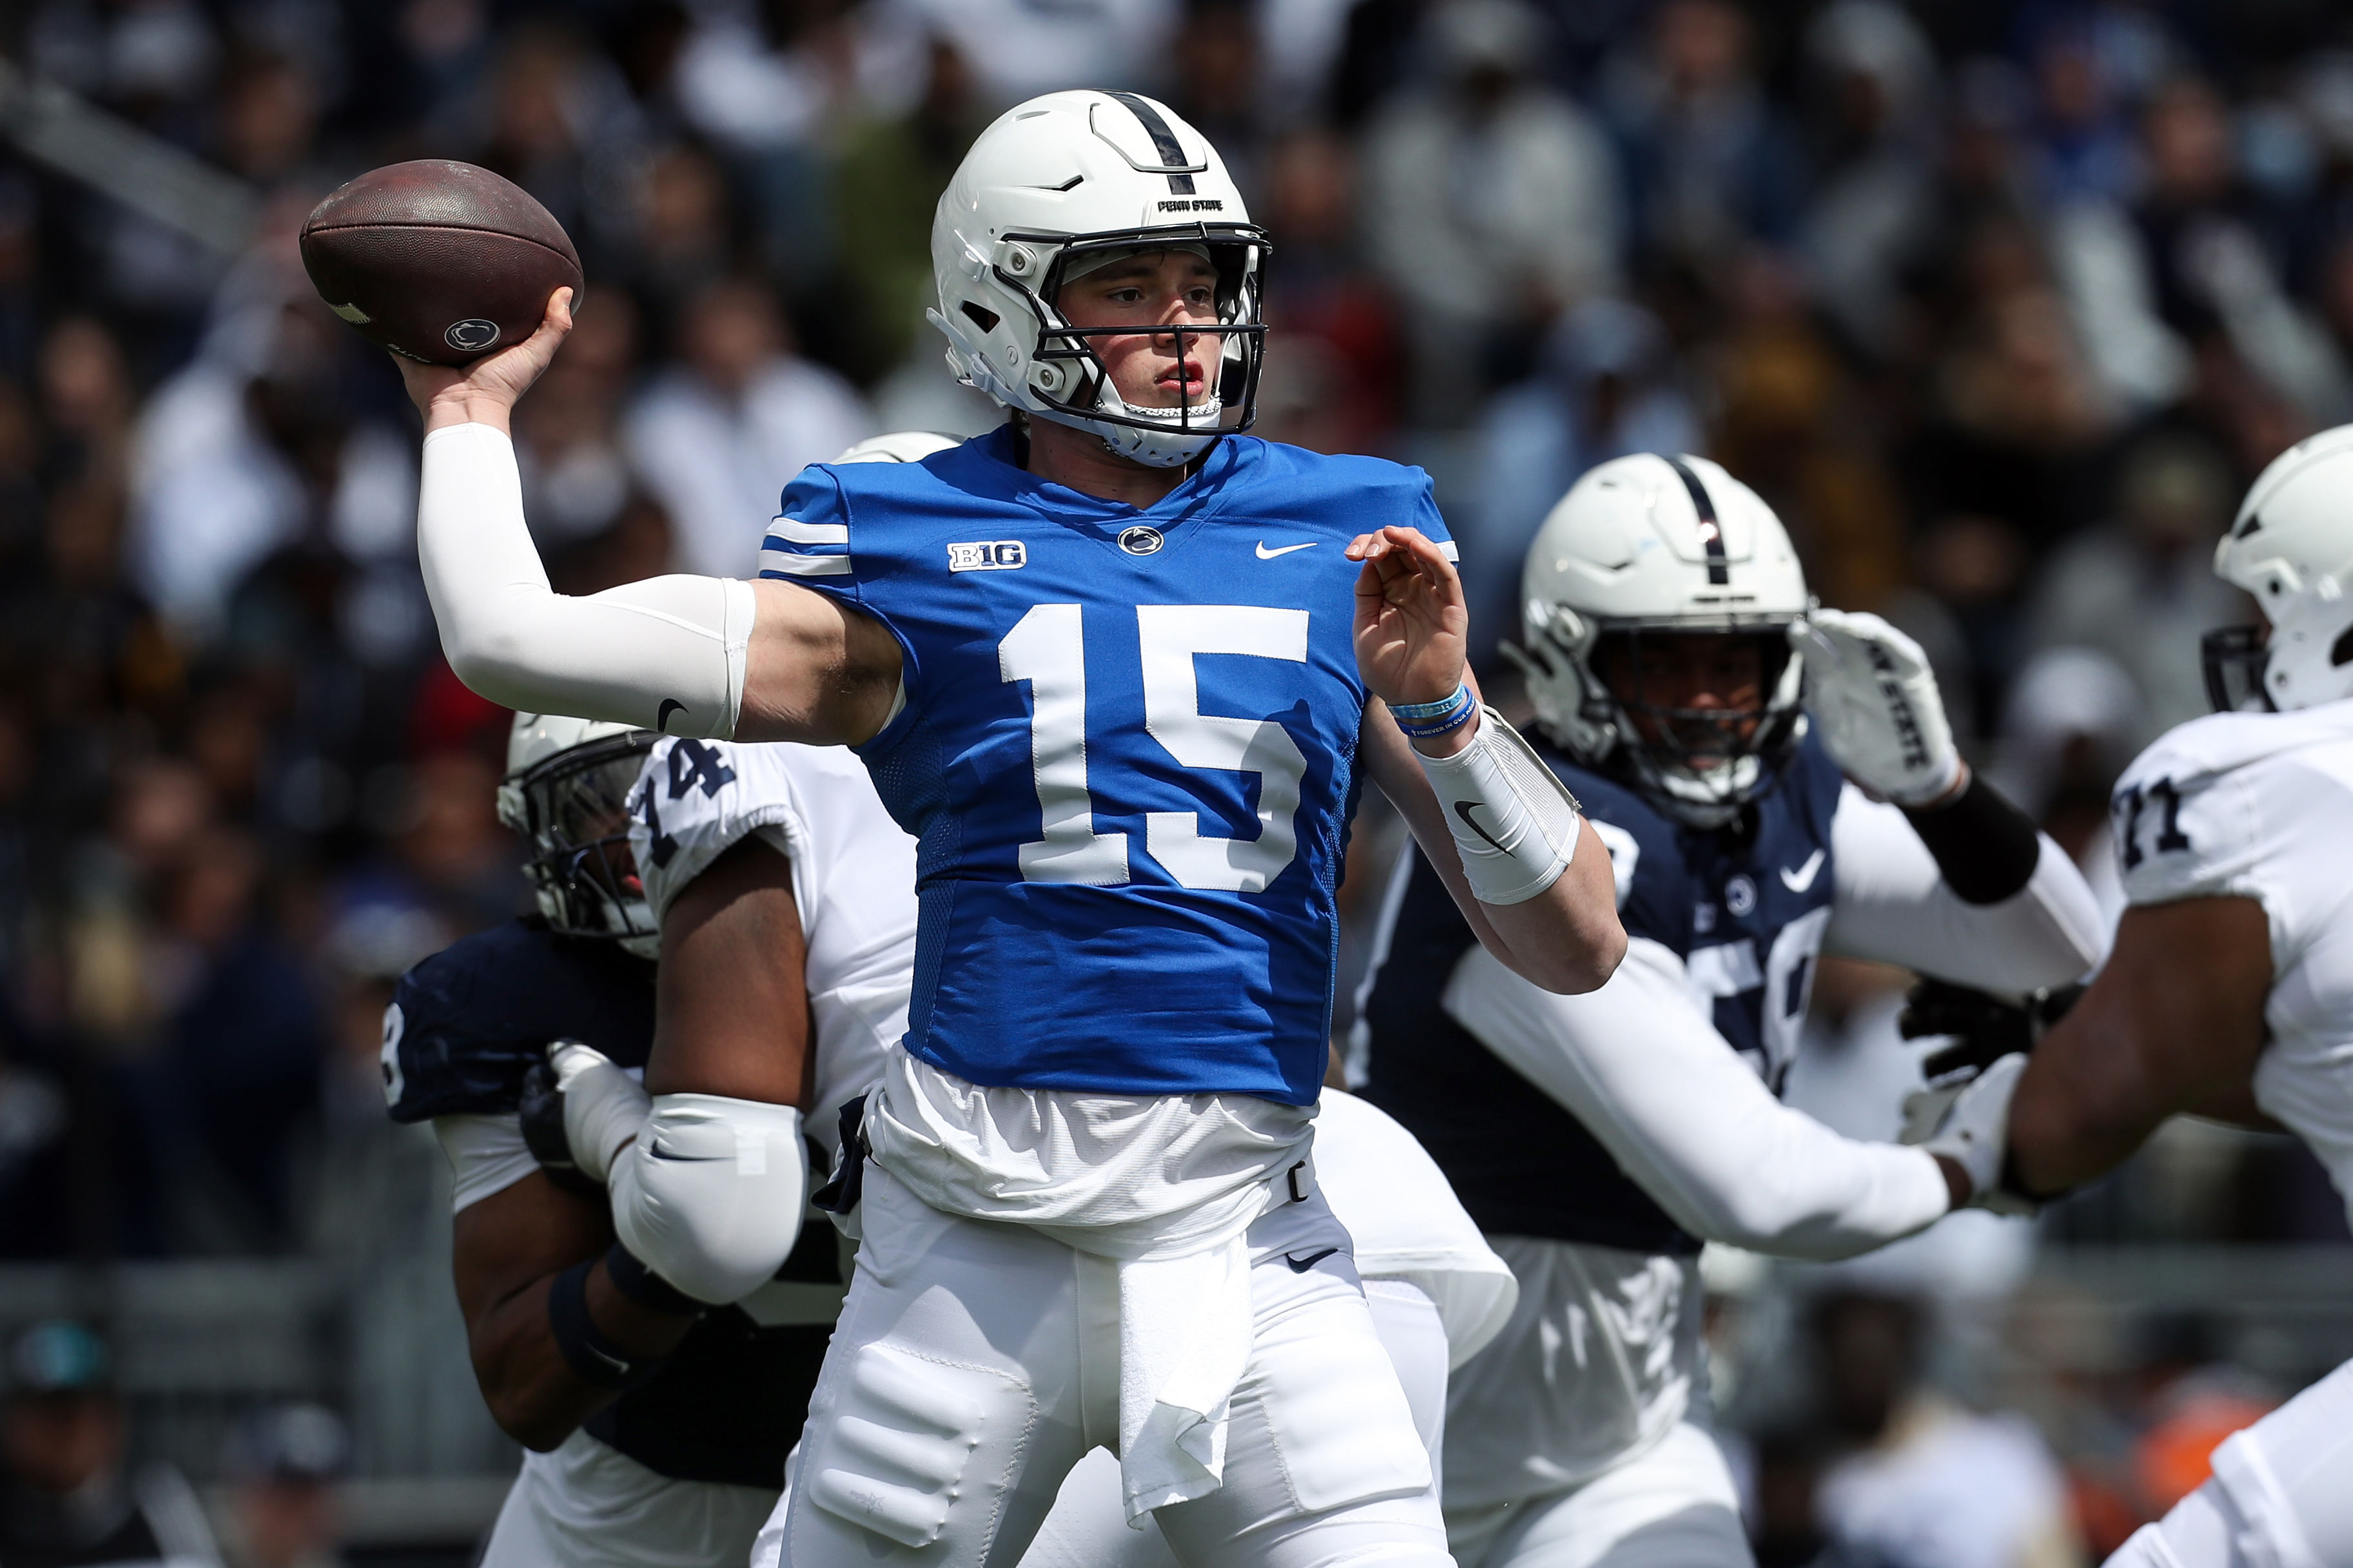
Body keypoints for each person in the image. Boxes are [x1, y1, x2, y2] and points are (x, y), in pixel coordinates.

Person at [395, 87, 1623, 1568]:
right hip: (971, 1257)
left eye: (1203, 282)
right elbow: (510, 639)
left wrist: (1441, 711)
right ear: (1004, 296)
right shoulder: (898, 538)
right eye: (1127, 285)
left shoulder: (1348, 526)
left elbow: (1576, 943)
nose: (1184, 325)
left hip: (1248, 1243)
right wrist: (468, 412)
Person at [1356, 451, 2106, 1568]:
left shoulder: (1777, 806)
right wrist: (1968, 1162)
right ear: (1573, 659)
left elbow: (2054, 941)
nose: (1711, 704)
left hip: (1630, 1426)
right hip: (1396, 1440)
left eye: (1739, 662)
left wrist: (1942, 790)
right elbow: (1758, 1184)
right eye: (1671, 663)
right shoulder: (1534, 849)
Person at [1927, 423, 2353, 1566]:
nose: (2252, 649)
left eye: (2268, 618)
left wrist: (2021, 1095)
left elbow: (2075, 1122)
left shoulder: (2259, 786)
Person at [384, 709, 917, 1568]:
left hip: (904, 1453)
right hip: (630, 1493)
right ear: (540, 823)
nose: (649, 831)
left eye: (666, 794)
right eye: (606, 800)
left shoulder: (880, 952)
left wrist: (636, 1157)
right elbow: (523, 1384)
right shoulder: (518, 1000)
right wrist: (682, 1246)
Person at [0, 1321, 221, 1568]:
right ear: (14, 1425)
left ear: (114, 1421)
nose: (66, 1434)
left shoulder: (156, 1505)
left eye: (77, 1414)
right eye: (50, 1415)